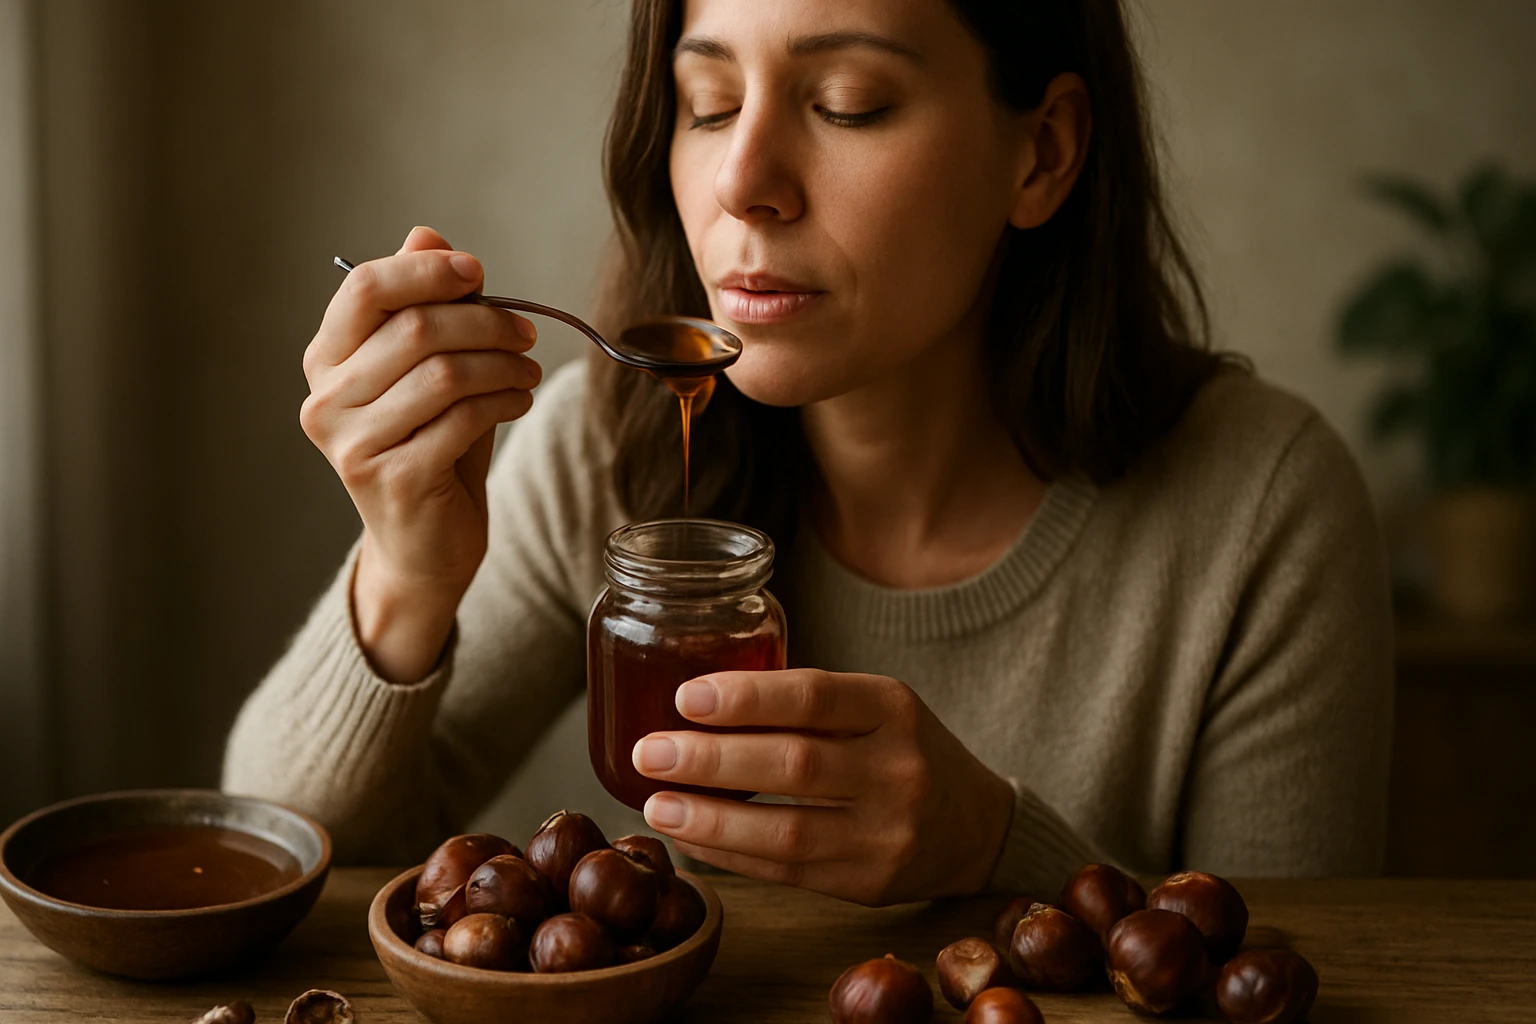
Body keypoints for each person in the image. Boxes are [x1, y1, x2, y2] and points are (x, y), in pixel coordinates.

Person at [223, 0, 1393, 905]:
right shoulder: (603, 450)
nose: (743, 183)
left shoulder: (1263, 509)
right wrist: (406, 570)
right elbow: (271, 846)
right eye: (708, 103)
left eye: (846, 103)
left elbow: (1287, 974)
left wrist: (994, 849)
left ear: (1041, 154)